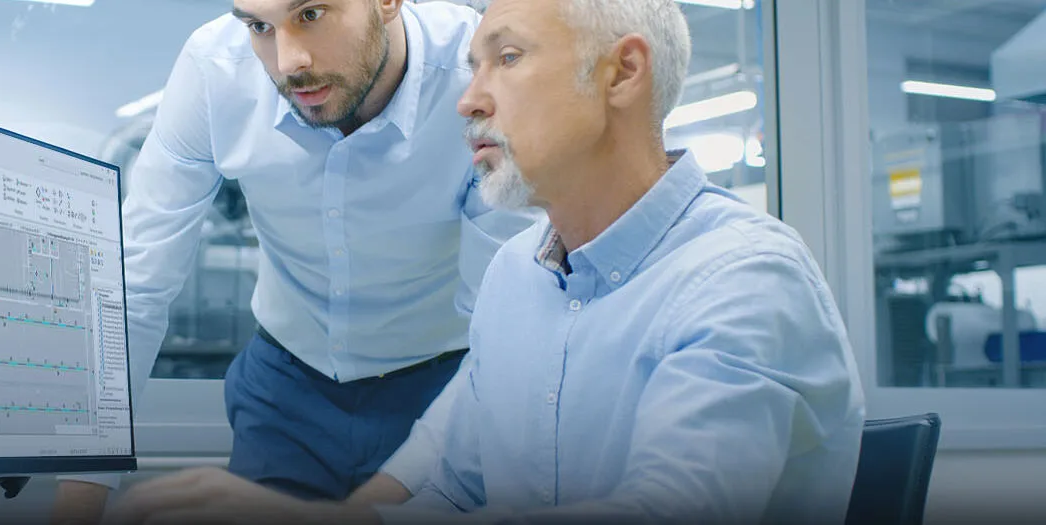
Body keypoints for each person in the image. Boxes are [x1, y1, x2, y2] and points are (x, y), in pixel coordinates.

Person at [100, 0, 866, 523]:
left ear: (622, 73)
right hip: (292, 361)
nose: (466, 100)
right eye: (473, 66)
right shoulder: (521, 278)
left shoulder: (743, 279)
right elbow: (446, 478)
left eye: (507, 58)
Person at [51, 0, 533, 521]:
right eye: (259, 26)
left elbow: (503, 326)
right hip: (287, 385)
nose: (287, 62)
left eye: (310, 14)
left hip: (446, 382)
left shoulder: (477, 76)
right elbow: (136, 288)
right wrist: (78, 501)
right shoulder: (215, 68)